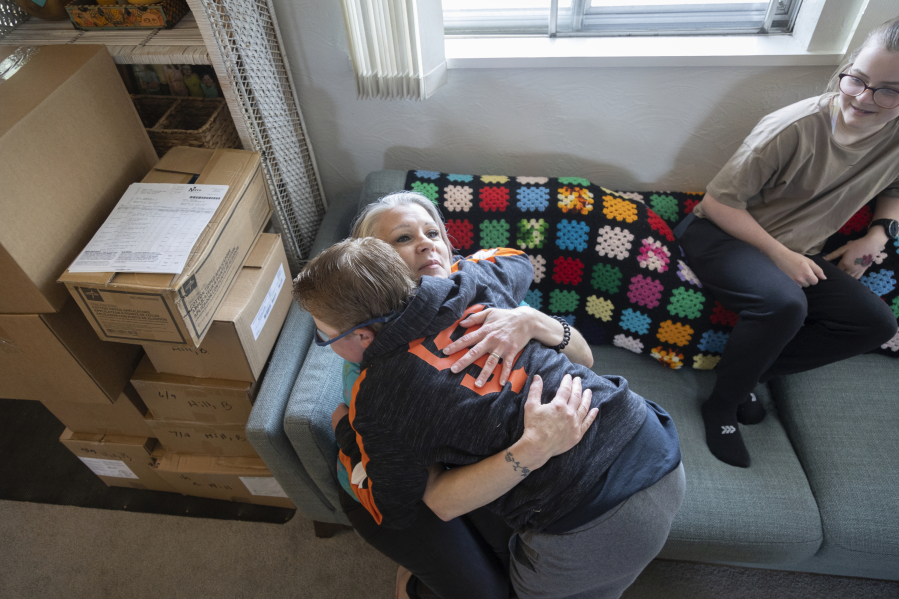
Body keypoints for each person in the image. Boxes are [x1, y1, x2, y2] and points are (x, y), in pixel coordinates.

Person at [294, 237, 684, 599]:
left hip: (589, 520)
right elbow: (517, 260)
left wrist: (347, 435)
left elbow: (392, 506)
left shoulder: (378, 398)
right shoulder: (468, 279)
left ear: (362, 337)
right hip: (651, 437)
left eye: (324, 335)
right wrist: (516, 312)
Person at [336, 191, 596, 599]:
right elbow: (428, 488)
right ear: (373, 266)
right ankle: (412, 580)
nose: (426, 243)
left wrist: (532, 320)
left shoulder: (478, 289)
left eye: (433, 232)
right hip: (405, 490)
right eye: (403, 238)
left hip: (475, 467)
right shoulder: (378, 355)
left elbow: (586, 360)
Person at [677, 17, 899, 468]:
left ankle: (747, 374)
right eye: (856, 78)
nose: (862, 96)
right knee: (785, 305)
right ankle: (723, 403)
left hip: (798, 248)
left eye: (888, 90)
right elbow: (718, 204)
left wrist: (879, 233)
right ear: (847, 68)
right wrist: (781, 256)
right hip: (721, 235)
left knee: (875, 323)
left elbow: (893, 189)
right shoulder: (793, 127)